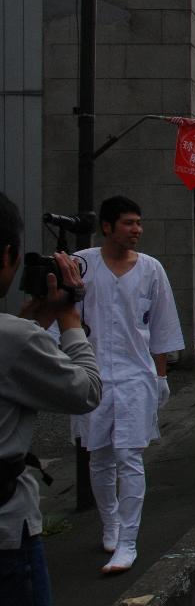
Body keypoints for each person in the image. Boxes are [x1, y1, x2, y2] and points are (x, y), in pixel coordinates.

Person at [68, 196, 182, 574]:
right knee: (98, 456)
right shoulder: (81, 264)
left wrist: (161, 375)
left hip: (136, 376)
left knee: (129, 458)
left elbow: (163, 326)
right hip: (93, 374)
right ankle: (111, 525)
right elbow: (62, 316)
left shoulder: (151, 269)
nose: (137, 230)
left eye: (139, 222)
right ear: (107, 226)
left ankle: (129, 543)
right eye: (129, 223)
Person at [0, 193, 102, 602]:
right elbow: (87, 391)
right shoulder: (13, 338)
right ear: (8, 254)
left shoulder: (15, 336)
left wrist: (36, 317)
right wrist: (69, 319)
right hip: (7, 529)